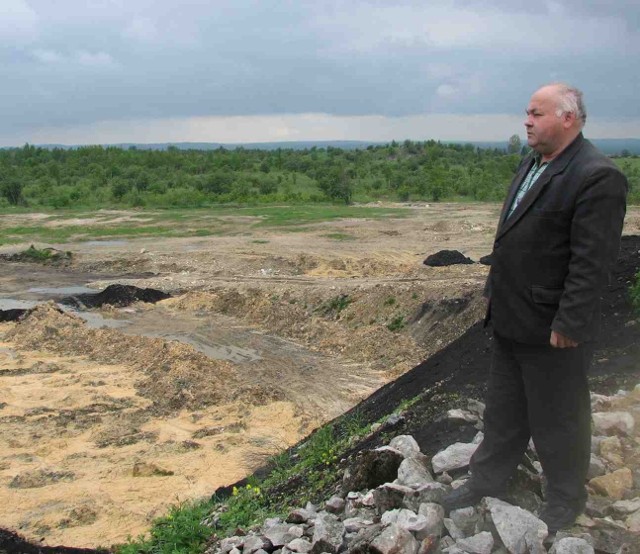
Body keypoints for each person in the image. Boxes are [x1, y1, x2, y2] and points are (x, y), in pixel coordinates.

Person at [442, 83, 628, 532]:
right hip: (511, 315)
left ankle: (565, 499)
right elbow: (512, 235)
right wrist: (493, 287)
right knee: (503, 408)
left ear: (568, 119)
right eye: (526, 112)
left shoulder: (596, 176)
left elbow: (593, 261)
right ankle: (487, 479)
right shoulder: (534, 162)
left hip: (551, 326)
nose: (526, 120)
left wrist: (570, 320)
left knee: (558, 416)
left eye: (535, 113)